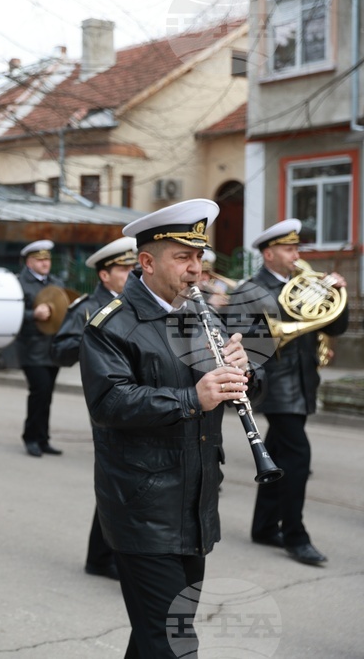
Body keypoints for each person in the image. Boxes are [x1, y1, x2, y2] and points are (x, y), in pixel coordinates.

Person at [79, 199, 257, 658]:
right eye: (183, 257)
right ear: (147, 262)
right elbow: (109, 402)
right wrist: (192, 398)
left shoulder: (202, 314)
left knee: (155, 636)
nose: (196, 268)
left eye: (198, 256)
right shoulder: (111, 325)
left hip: (195, 500)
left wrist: (244, 371)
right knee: (174, 642)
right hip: (142, 505)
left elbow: (231, 383)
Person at [244, 219, 348, 565]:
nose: (295, 255)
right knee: (298, 457)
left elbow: (336, 325)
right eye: (288, 249)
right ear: (269, 254)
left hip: (302, 381)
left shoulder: (306, 284)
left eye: (296, 249)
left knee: (278, 453)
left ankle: (263, 527)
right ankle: (295, 536)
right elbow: (248, 339)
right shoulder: (251, 290)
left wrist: (337, 294)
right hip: (275, 385)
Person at [51, 236, 137, 581]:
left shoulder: (135, 304)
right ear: (105, 275)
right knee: (118, 479)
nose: (132, 274)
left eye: (133, 268)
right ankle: (106, 558)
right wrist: (91, 337)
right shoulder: (88, 308)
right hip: (108, 400)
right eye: (124, 269)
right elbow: (59, 350)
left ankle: (100, 556)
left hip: (138, 396)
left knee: (125, 480)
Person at [16, 239, 64, 457]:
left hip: (52, 348)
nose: (45, 263)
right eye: (40, 259)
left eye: (48, 259)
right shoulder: (20, 283)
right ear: (29, 262)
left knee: (47, 395)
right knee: (40, 391)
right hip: (31, 347)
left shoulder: (56, 282)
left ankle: (43, 439)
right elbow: (11, 313)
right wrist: (32, 314)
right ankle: (31, 437)